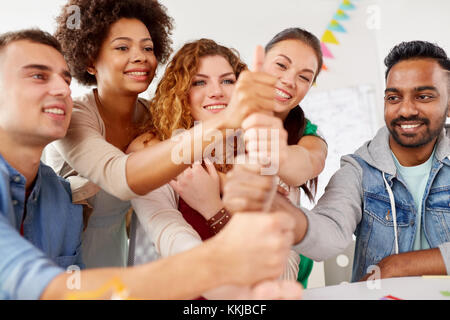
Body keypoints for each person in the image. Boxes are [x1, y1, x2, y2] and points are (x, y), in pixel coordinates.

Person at [0, 29, 302, 300]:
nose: (63, 89)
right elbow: (46, 287)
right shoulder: (139, 145)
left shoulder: (60, 199)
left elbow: (284, 260)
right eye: (38, 75)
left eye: (65, 79)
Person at [44, 0, 278, 268]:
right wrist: (227, 120)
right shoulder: (73, 119)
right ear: (89, 61)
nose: (140, 56)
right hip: (62, 257)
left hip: (116, 255)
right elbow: (121, 177)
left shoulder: (155, 117)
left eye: (148, 47)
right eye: (122, 47)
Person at [223, 40, 450, 282]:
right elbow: (328, 232)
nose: (406, 110)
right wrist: (277, 209)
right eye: (393, 98)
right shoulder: (358, 170)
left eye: (423, 96)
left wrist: (398, 266)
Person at [130, 29, 327, 289]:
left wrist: (214, 207)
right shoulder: (156, 153)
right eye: (199, 82)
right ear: (180, 94)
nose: (216, 92)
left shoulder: (270, 150)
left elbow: (281, 274)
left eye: (227, 81)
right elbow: (175, 243)